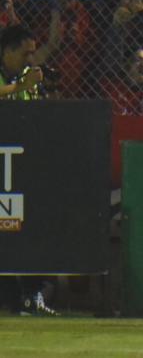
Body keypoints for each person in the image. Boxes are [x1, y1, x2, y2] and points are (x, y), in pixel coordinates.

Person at [0, 23, 59, 316]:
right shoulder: (13, 81)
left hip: (20, 168)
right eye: (25, 54)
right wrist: (18, 88)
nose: (30, 60)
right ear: (7, 52)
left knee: (30, 227)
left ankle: (29, 297)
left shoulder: (25, 80)